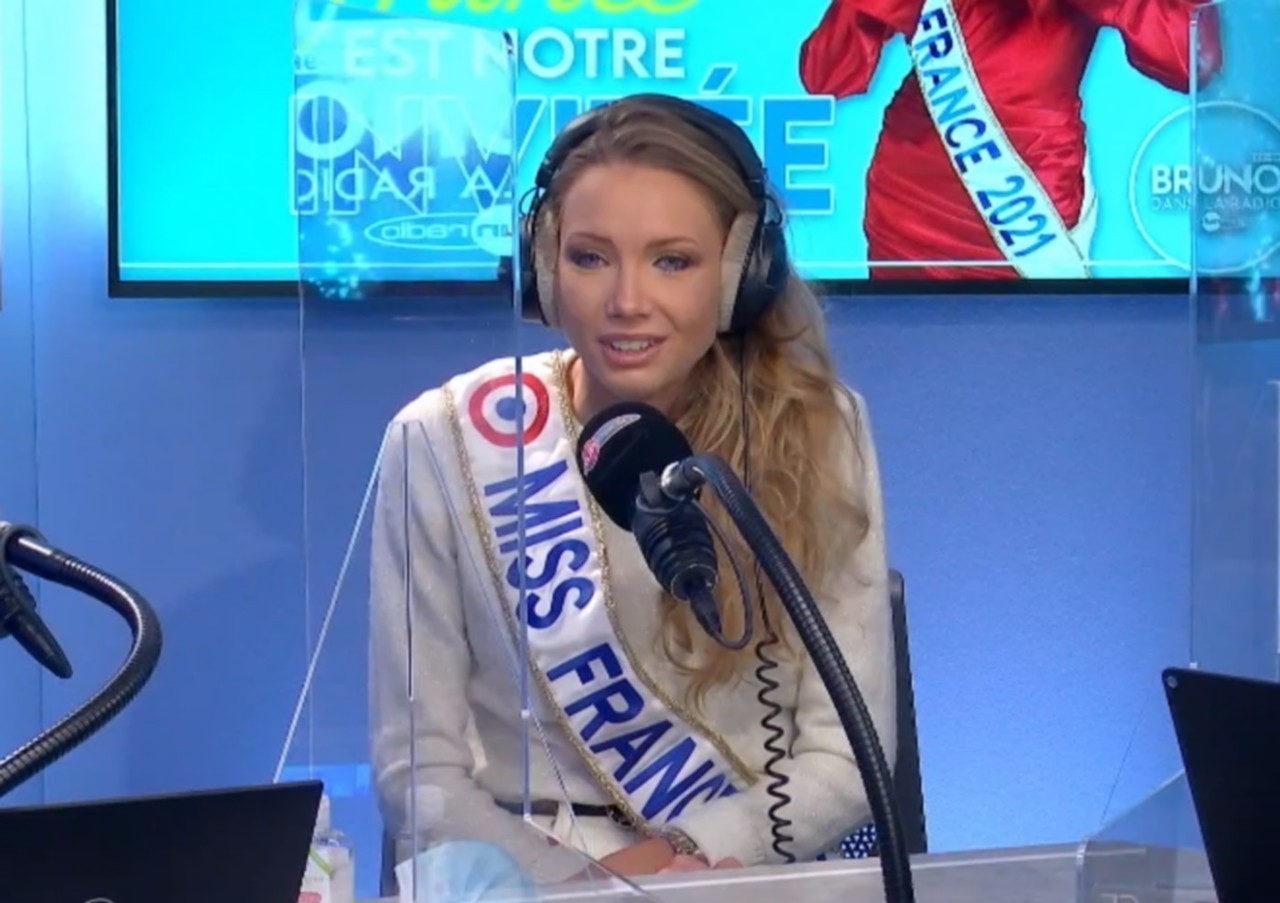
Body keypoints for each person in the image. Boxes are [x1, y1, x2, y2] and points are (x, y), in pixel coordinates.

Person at [367, 94, 896, 885]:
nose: (626, 302)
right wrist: (575, 889)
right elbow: (421, 775)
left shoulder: (819, 432)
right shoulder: (444, 439)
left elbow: (845, 757)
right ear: (546, 269)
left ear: (741, 273)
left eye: (672, 261)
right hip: (517, 881)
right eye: (590, 258)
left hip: (732, 874)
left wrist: (677, 859)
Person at [798, 0, 1223, 281]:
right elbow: (826, 76)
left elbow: (1195, 62)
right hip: (908, 210)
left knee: (1037, 369)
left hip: (1029, 212)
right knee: (905, 370)